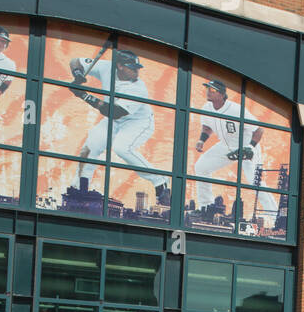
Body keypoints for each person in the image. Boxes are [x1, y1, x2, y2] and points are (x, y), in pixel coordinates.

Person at [71, 49, 169, 204]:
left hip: (137, 121)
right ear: (120, 66)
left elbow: (114, 112)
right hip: (115, 120)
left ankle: (160, 181)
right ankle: (81, 188)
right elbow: (75, 61)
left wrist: (83, 94)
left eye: (137, 67)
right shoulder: (107, 67)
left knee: (122, 148)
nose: (137, 71)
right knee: (90, 146)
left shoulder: (138, 88)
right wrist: (77, 73)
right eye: (132, 67)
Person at [191, 79, 279, 222]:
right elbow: (207, 127)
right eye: (207, 88)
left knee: (254, 181)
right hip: (226, 145)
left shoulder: (236, 109)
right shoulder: (207, 107)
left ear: (221, 94)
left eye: (212, 90)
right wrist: (202, 140)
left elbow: (259, 129)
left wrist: (250, 147)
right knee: (201, 167)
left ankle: (276, 217)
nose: (208, 91)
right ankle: (206, 207)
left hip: (246, 144)